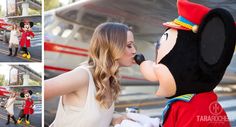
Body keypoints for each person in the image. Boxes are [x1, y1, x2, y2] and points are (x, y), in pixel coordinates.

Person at [44, 22, 137, 127]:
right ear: (112, 47)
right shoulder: (82, 76)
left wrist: (114, 119)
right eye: (129, 46)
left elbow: (90, 116)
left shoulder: (108, 80)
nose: (134, 51)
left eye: (133, 45)